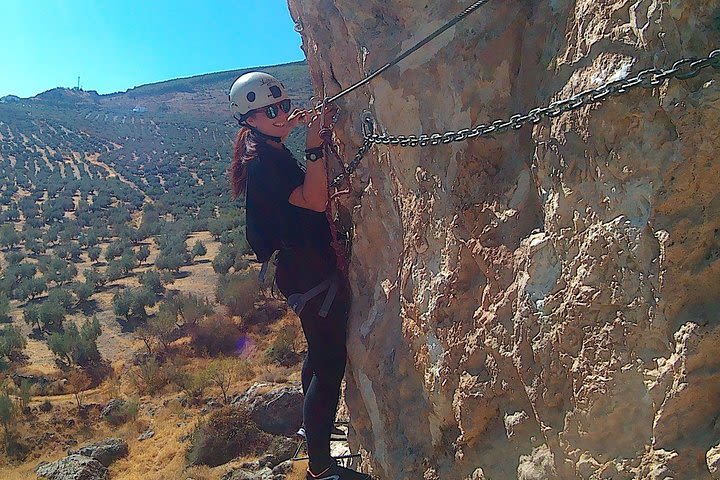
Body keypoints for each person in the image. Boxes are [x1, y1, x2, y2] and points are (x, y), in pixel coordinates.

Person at [228, 72, 371, 480]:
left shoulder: (265, 150)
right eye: (270, 110)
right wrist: (313, 140)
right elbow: (313, 198)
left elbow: (302, 195)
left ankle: (313, 434)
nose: (281, 114)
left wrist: (296, 122)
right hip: (307, 272)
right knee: (329, 364)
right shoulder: (264, 162)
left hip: (301, 269)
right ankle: (321, 469)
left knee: (317, 350)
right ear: (250, 119)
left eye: (283, 106)